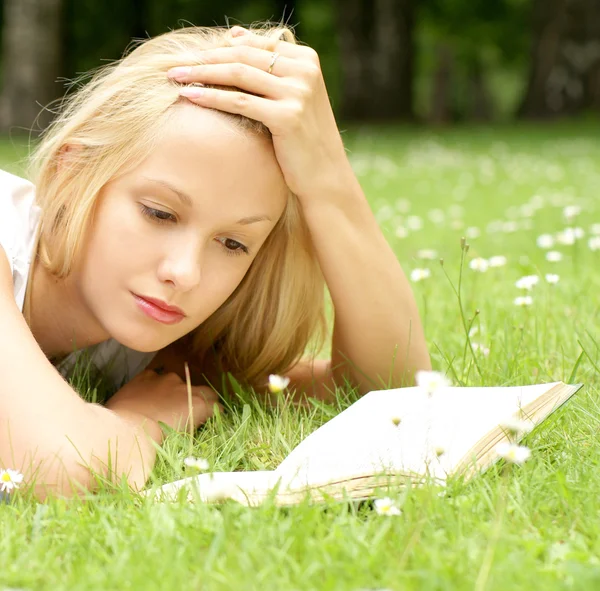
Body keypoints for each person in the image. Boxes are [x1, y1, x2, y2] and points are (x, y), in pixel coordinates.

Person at [0, 24, 430, 499]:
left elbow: (391, 393)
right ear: (71, 169)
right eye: (159, 213)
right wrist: (142, 421)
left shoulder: (153, 343)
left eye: (232, 244)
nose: (184, 273)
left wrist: (329, 179)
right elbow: (56, 470)